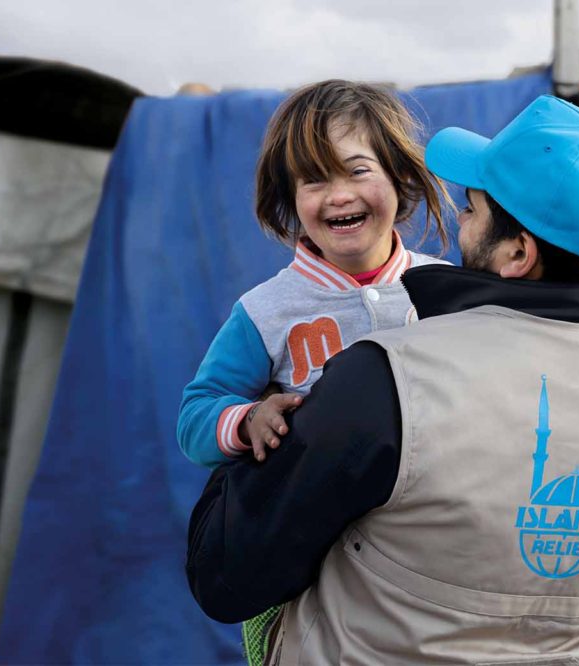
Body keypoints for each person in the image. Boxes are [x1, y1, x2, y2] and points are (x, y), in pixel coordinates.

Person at [185, 95, 579, 665]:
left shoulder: (392, 378)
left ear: (518, 252)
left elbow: (228, 575)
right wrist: (243, 422)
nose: (460, 218)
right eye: (313, 180)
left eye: (474, 208)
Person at [176, 80, 449, 664]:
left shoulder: (447, 292)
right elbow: (196, 413)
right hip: (315, 578)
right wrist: (248, 419)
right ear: (289, 197)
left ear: (400, 181)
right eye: (314, 179)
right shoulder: (267, 310)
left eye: (356, 171)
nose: (337, 195)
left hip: (423, 563)